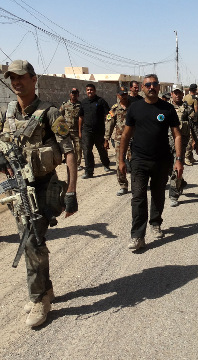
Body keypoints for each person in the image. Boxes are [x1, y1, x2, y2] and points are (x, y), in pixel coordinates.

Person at [1, 60, 78, 327]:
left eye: (21, 77)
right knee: (31, 240)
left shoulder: (50, 113)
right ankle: (45, 291)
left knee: (32, 242)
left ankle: (38, 299)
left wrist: (71, 190)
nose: (16, 82)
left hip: (43, 188)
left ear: (34, 80)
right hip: (17, 189)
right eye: (12, 78)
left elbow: (69, 151)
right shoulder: (8, 112)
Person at [119, 74, 183, 251]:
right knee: (138, 197)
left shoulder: (167, 109)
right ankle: (138, 236)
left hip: (162, 160)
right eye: (148, 85)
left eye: (155, 84)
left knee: (157, 194)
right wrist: (121, 160)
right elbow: (125, 135)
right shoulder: (134, 108)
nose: (152, 87)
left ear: (159, 87)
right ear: (142, 88)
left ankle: (155, 222)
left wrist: (179, 160)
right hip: (139, 160)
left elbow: (177, 135)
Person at [78, 83, 111, 179]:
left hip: (99, 131)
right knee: (87, 151)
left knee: (102, 149)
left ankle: (106, 164)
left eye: (91, 90)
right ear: (86, 91)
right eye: (88, 90)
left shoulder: (101, 101)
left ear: (95, 91)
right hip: (87, 131)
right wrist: (80, 131)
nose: (89, 91)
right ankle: (89, 171)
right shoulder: (83, 102)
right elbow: (80, 117)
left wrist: (108, 123)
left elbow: (109, 114)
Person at [169, 84, 194, 207]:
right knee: (167, 168)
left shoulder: (188, 109)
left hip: (181, 144)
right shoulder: (165, 108)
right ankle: (181, 182)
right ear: (171, 94)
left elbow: (193, 126)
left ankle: (173, 195)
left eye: (179, 93)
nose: (177, 95)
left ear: (182, 94)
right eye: (175, 93)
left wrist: (195, 140)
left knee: (176, 168)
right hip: (165, 143)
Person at [105, 86, 131, 196]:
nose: (124, 96)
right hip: (119, 140)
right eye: (122, 94)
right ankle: (123, 185)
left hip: (133, 140)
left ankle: (138, 183)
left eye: (125, 94)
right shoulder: (114, 109)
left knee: (135, 162)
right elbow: (109, 124)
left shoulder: (133, 106)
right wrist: (106, 139)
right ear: (118, 96)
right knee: (119, 164)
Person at [60, 88, 83, 170]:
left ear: (78, 95)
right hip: (67, 130)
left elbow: (83, 117)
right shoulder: (65, 104)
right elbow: (60, 116)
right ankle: (68, 162)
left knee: (78, 148)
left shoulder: (81, 105)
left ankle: (77, 164)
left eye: (75, 93)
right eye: (72, 93)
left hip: (77, 131)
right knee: (67, 148)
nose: (74, 95)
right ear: (70, 94)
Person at [184, 83, 198, 166]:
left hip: (185, 119)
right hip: (192, 120)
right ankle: (186, 157)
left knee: (188, 137)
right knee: (193, 138)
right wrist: (197, 120)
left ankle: (190, 156)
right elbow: (196, 110)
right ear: (195, 90)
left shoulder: (185, 97)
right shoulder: (194, 98)